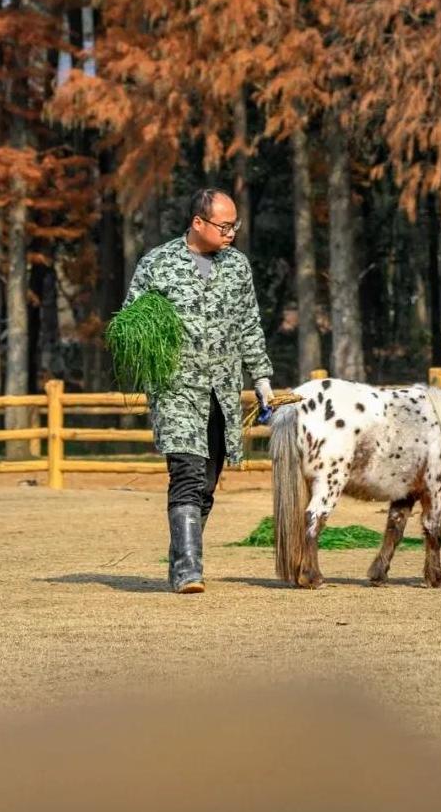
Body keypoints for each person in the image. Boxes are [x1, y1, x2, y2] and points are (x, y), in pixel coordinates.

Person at [122, 188, 273, 594]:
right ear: (198, 223)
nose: (232, 233)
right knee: (186, 472)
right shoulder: (157, 264)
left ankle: (180, 559)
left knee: (206, 482)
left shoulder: (237, 267)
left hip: (221, 389)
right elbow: (133, 320)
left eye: (234, 225)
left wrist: (261, 379)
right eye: (225, 226)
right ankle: (189, 569)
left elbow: (248, 325)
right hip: (176, 387)